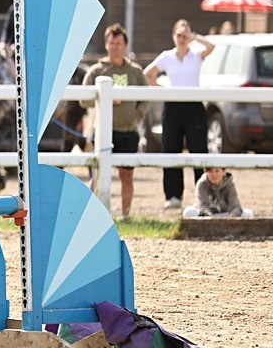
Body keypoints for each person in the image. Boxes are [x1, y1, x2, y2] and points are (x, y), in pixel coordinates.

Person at [144, 19, 215, 209]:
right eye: (179, 35)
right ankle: (173, 196)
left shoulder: (197, 55)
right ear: (173, 36)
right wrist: (164, 89)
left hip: (194, 107)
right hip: (173, 106)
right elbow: (147, 75)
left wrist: (194, 37)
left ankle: (204, 196)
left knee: (199, 150)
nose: (182, 38)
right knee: (171, 150)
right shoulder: (167, 56)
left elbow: (212, 46)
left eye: (185, 35)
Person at [83, 23, 149, 217]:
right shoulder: (96, 71)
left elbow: (146, 98)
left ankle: (126, 215)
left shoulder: (136, 72)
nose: (115, 47)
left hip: (128, 131)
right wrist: (106, 100)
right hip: (103, 131)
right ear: (106, 45)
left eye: (118, 43)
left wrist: (136, 115)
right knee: (97, 174)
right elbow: (83, 100)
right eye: (112, 43)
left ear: (125, 45)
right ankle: (90, 215)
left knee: (126, 175)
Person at [183, 167, 254, 218]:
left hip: (225, 215)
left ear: (223, 172)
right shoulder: (202, 183)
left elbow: (235, 206)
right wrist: (211, 218)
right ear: (205, 171)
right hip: (206, 216)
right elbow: (202, 206)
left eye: (217, 171)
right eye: (210, 171)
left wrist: (231, 217)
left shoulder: (229, 184)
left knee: (248, 213)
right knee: (188, 211)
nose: (214, 174)